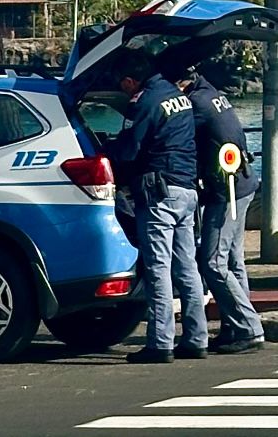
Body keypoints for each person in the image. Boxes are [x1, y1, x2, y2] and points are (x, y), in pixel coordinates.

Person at [106, 49, 207, 363]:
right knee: (187, 267)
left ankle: (160, 343)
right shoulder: (177, 97)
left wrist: (105, 150)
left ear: (129, 80)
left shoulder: (147, 103)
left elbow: (129, 151)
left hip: (159, 193)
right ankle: (196, 338)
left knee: (158, 268)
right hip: (187, 191)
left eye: (121, 83)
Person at [175, 69, 264, 354]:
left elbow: (179, 137)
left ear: (180, 83)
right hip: (242, 183)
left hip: (226, 191)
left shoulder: (196, 104)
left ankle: (248, 327)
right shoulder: (213, 94)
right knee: (233, 261)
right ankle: (234, 325)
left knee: (213, 261)